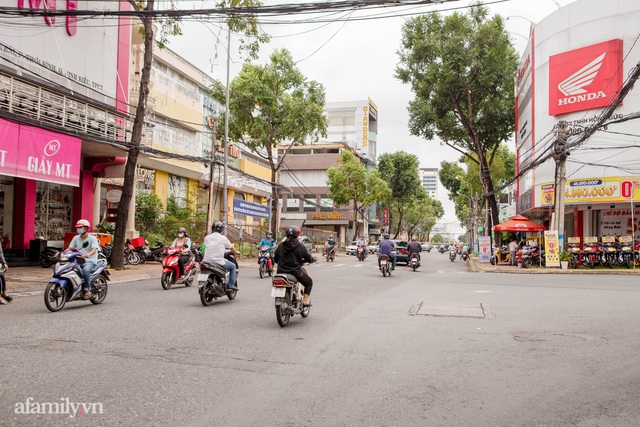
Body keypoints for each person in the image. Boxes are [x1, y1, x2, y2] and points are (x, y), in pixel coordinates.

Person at [273, 226, 315, 307]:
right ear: (297, 235)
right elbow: (309, 258)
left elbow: (275, 259)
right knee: (309, 282)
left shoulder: (281, 245)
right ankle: (305, 301)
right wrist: (312, 260)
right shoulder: (300, 246)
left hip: (281, 272)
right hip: (295, 272)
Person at [66, 219, 100, 299]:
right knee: (68, 270)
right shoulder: (76, 238)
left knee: (85, 270)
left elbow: (94, 250)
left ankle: (87, 289)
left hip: (90, 260)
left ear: (86, 228)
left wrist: (87, 255)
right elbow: (70, 248)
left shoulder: (92, 238)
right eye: (78, 228)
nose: (78, 229)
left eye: (80, 227)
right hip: (78, 260)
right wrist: (61, 253)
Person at [202, 221, 240, 290]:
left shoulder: (207, 237)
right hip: (218, 261)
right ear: (222, 229)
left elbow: (205, 247)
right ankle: (231, 285)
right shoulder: (223, 238)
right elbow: (231, 247)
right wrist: (236, 252)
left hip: (206, 261)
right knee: (233, 266)